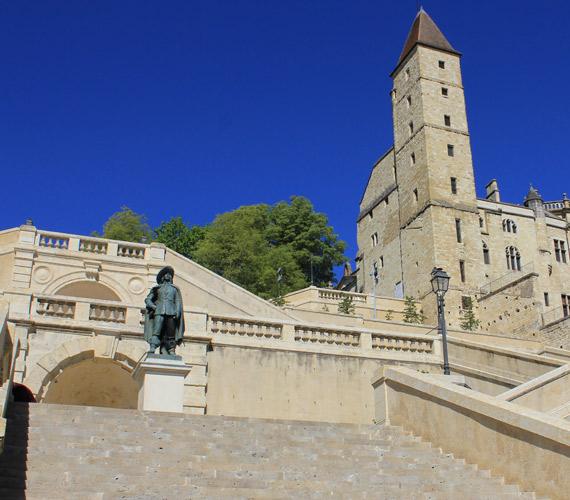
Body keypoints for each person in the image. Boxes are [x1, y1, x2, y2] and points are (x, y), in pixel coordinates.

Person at [143, 266, 185, 354]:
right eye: (166, 274)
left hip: (171, 313)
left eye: (169, 274)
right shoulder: (157, 288)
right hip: (159, 312)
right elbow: (148, 299)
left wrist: (177, 311)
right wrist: (154, 307)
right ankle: (153, 347)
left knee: (171, 332)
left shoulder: (174, 289)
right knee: (156, 331)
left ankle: (171, 349)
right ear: (162, 277)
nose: (168, 276)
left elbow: (177, 301)